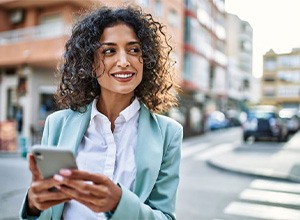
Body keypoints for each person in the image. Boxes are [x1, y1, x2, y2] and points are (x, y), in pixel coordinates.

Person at [20, 5, 183, 220]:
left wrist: (120, 204)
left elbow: (165, 216)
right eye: (109, 51)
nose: (124, 61)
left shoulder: (168, 133)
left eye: (134, 50)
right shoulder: (57, 123)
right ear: (91, 62)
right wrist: (33, 205)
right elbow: (47, 208)